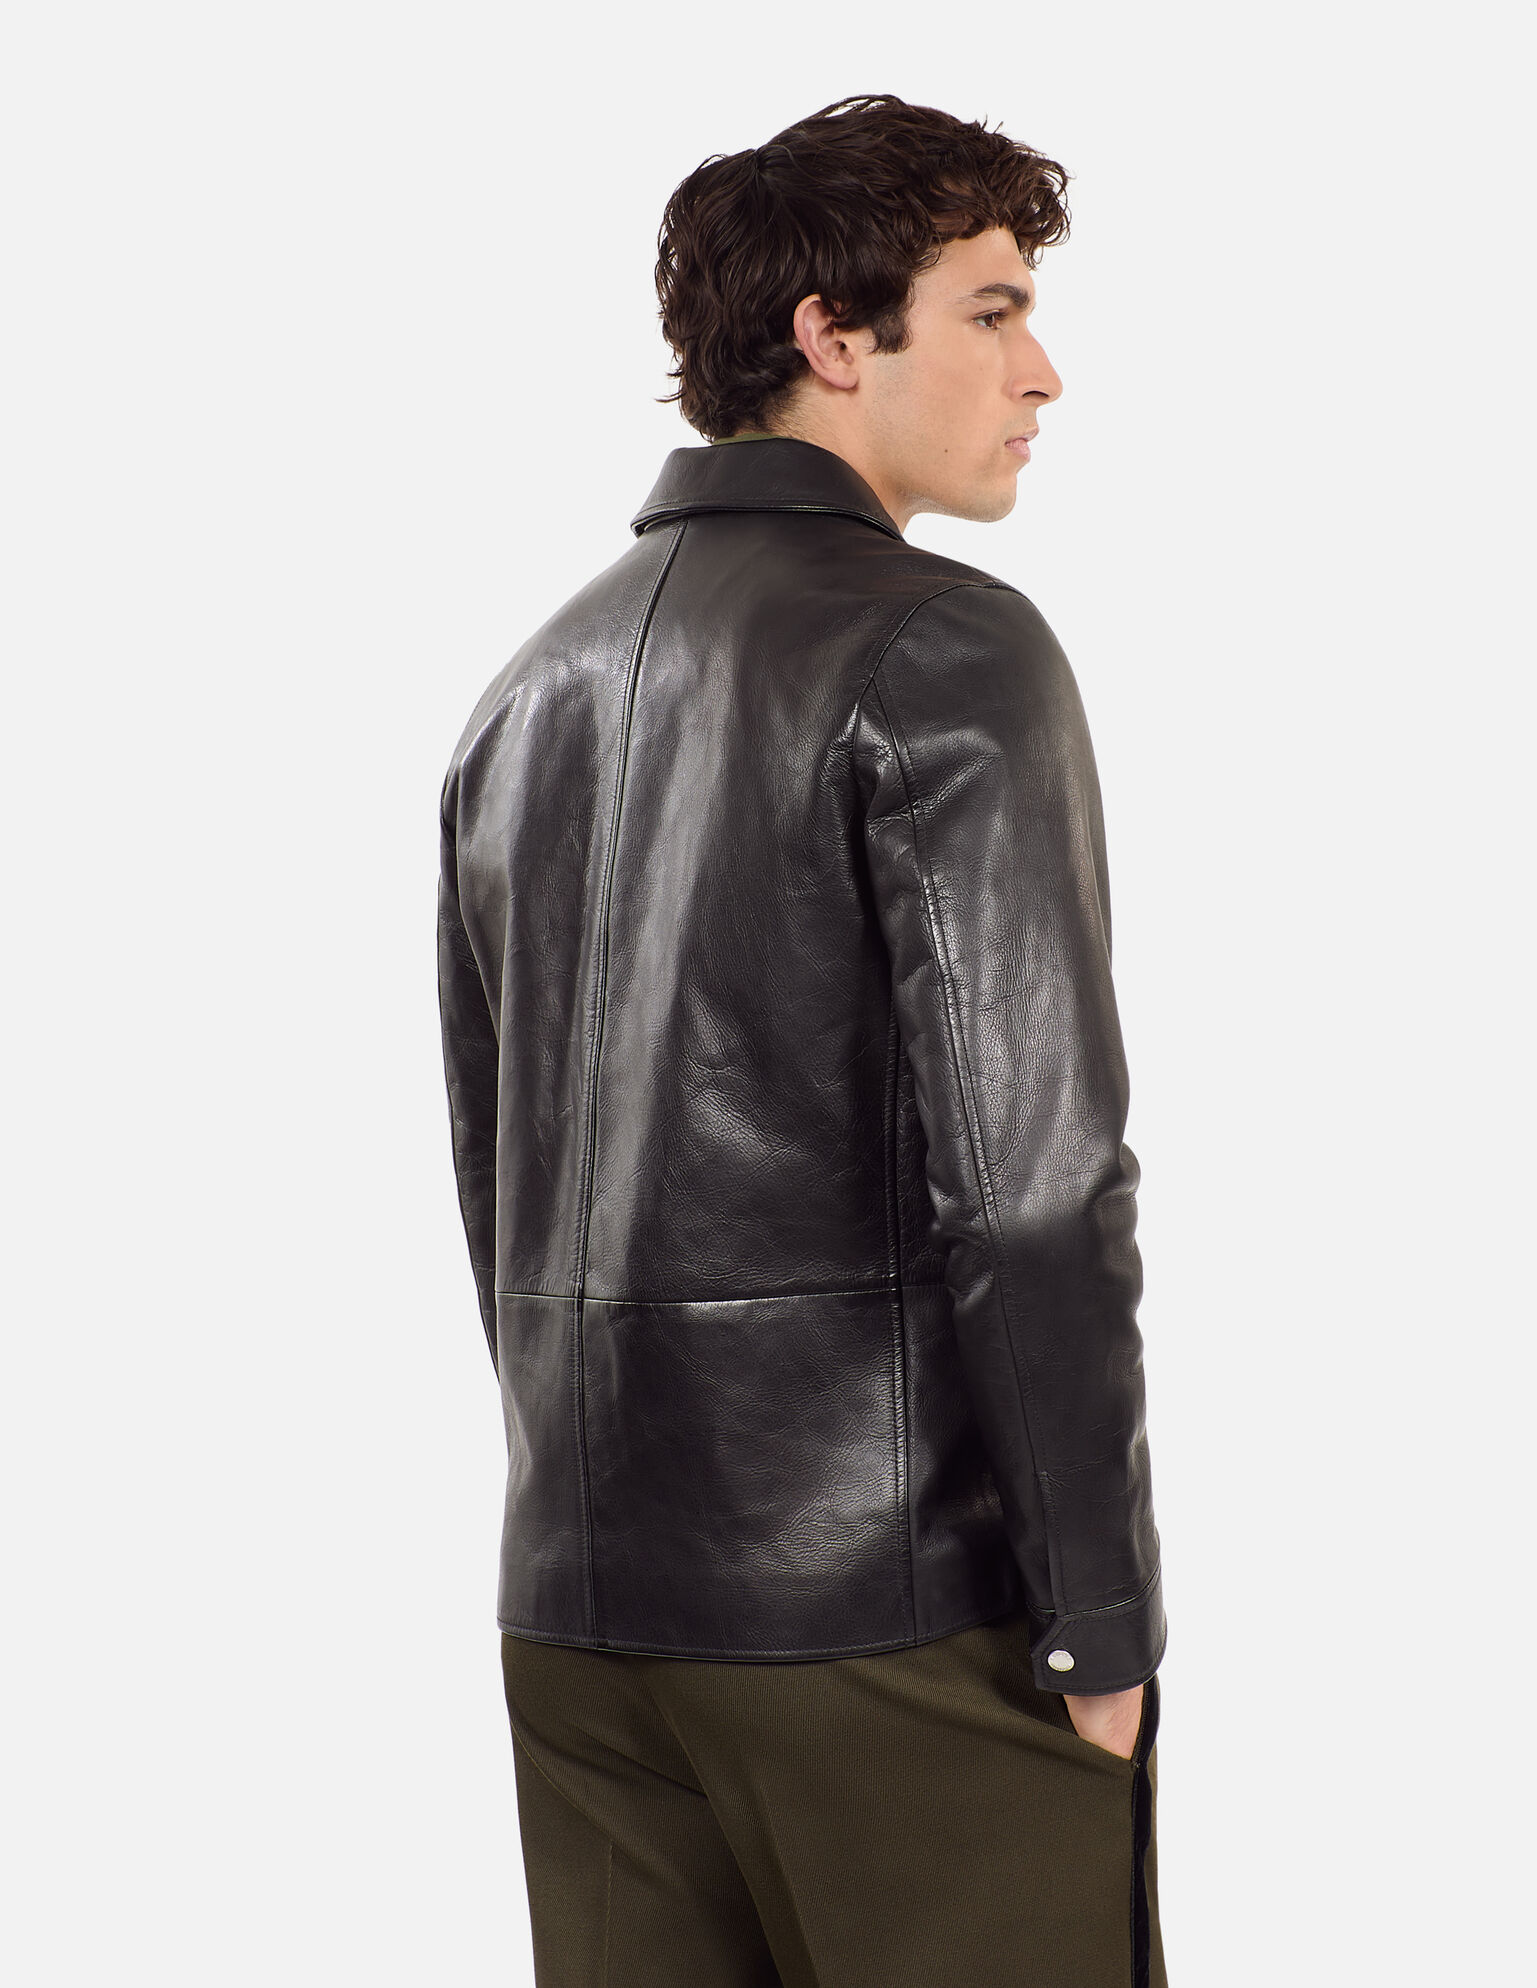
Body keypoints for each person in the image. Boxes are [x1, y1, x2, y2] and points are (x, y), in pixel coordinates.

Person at [437, 91, 1171, 1988]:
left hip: (584, 1621)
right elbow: (1032, 1185)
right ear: (833, 338)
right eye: (993, 312)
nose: (1043, 372)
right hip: (886, 1631)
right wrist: (1098, 1614)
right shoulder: (946, 646)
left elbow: (498, 1176)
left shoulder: (529, 691)